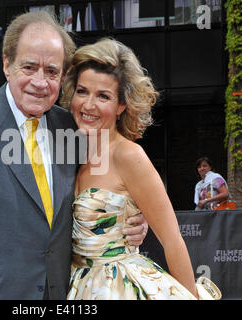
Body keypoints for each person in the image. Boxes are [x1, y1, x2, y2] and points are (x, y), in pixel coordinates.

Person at [0, 11, 148, 300]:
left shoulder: (72, 128)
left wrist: (135, 219)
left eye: (52, 71)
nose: (40, 82)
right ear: (7, 64)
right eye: (29, 67)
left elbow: (106, 187)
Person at [61, 38, 220, 300]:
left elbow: (172, 240)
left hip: (117, 289)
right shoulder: (73, 151)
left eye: (103, 96)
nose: (88, 105)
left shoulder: (129, 156)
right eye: (82, 91)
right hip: (75, 288)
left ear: (122, 105)